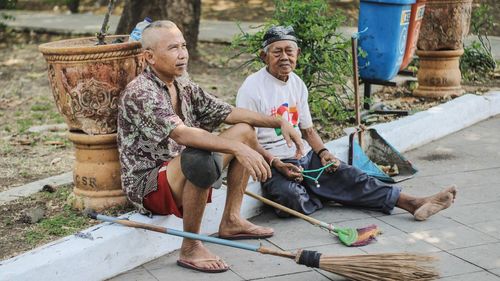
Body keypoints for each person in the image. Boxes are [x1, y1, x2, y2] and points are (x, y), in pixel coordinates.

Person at [117, 21, 305, 273]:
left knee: (244, 130)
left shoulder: (182, 83)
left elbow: (227, 112)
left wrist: (278, 121)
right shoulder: (140, 91)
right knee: (199, 157)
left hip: (180, 167)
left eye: (183, 45)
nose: (183, 53)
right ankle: (191, 246)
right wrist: (236, 149)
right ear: (149, 56)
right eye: (173, 48)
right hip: (149, 183)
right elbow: (182, 135)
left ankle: (231, 219)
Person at [236, 25, 457, 221]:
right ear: (264, 56)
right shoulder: (252, 88)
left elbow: (308, 130)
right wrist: (276, 163)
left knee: (351, 175)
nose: (284, 57)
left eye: (289, 51)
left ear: (298, 54)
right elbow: (247, 138)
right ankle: (328, 192)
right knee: (290, 199)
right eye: (277, 52)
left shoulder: (297, 83)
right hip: (272, 163)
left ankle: (414, 203)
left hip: (303, 157)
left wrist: (323, 152)